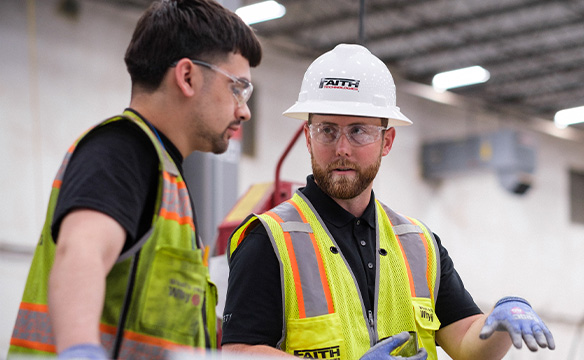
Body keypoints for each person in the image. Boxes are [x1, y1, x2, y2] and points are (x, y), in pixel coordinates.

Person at [220, 44, 554, 360]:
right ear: (308, 137)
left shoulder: (419, 245)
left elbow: (467, 342)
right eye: (327, 131)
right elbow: (238, 353)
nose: (341, 149)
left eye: (359, 131)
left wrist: (501, 321)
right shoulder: (269, 240)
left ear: (387, 140)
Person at [8, 0, 261, 359]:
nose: (245, 110)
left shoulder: (164, 172)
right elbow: (82, 251)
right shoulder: (122, 152)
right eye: (238, 88)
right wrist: (80, 350)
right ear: (187, 76)